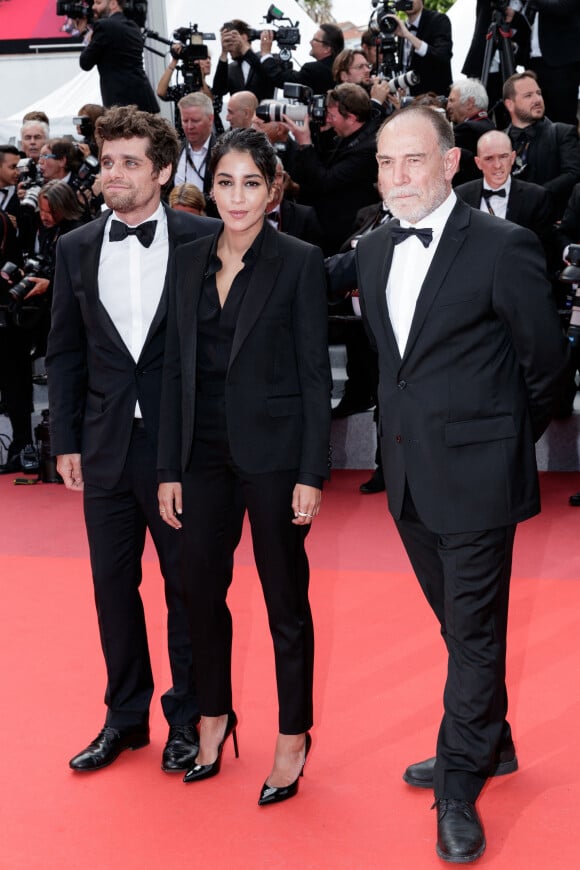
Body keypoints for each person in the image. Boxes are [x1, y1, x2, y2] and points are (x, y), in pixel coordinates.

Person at [355, 105, 568, 863]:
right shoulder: (375, 250)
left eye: (413, 160)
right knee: (457, 626)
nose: (397, 176)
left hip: (479, 477)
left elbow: (546, 365)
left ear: (452, 163)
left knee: (473, 636)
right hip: (410, 474)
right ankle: (494, 741)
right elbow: (395, 365)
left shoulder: (504, 246)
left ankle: (458, 784)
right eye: (386, 163)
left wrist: (503, 443)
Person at [157, 128, 331, 804]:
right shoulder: (188, 258)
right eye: (225, 182)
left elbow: (316, 377)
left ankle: (293, 735)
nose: (236, 196)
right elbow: (175, 370)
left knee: (285, 598)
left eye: (251, 183)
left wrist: (312, 473)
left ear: (274, 189)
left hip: (274, 459)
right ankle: (214, 713)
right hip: (201, 457)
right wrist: (170, 464)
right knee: (198, 592)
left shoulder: (299, 261)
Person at [45, 106, 219, 773]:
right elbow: (63, 351)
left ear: (164, 170)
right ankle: (125, 717)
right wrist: (66, 438)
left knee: (187, 587)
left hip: (182, 447)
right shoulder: (75, 246)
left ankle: (190, 717)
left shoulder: (205, 237)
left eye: (128, 162)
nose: (111, 174)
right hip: (106, 445)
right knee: (112, 586)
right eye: (106, 161)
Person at [284, 83, 380, 255]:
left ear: (350, 118)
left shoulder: (367, 149)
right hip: (329, 225)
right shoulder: (348, 135)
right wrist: (319, 134)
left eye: (332, 115)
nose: (327, 119)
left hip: (343, 233)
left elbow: (325, 181)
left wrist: (305, 143)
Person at [455, 129, 556, 255]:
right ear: (478, 163)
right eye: (489, 159)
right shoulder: (461, 196)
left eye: (503, 156)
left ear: (513, 158)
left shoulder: (536, 197)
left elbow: (543, 251)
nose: (497, 165)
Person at [503, 70, 580, 218]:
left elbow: (573, 174)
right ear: (510, 104)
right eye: (528, 95)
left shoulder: (562, 133)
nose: (537, 99)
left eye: (538, 93)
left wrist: (533, 195)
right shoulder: (498, 140)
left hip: (550, 224)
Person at [79, 0, 159, 113]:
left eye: (98, 3)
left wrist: (84, 33)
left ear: (113, 3)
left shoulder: (104, 26)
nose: (93, 7)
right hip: (145, 101)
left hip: (121, 105)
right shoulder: (133, 26)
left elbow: (85, 63)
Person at [386, 0, 453, 98]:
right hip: (409, 99)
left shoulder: (439, 20)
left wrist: (409, 36)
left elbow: (442, 57)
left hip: (434, 98)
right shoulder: (401, 27)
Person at [259, 23, 344, 95]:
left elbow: (282, 80)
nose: (310, 42)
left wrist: (266, 53)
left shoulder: (314, 69)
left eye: (315, 40)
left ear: (327, 49)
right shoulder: (340, 68)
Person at [446, 78, 495, 186]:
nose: (447, 106)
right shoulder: (490, 125)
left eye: (451, 100)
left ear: (469, 103)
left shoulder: (466, 130)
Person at [212, 20, 274, 103]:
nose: (229, 46)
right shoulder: (231, 68)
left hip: (262, 113)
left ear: (244, 38)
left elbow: (266, 76)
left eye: (232, 41)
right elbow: (218, 91)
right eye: (226, 41)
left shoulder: (266, 61)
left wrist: (243, 46)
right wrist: (224, 53)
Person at [174, 92, 216, 198]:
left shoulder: (224, 151)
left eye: (195, 121)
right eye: (185, 121)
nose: (189, 126)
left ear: (210, 119)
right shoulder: (174, 150)